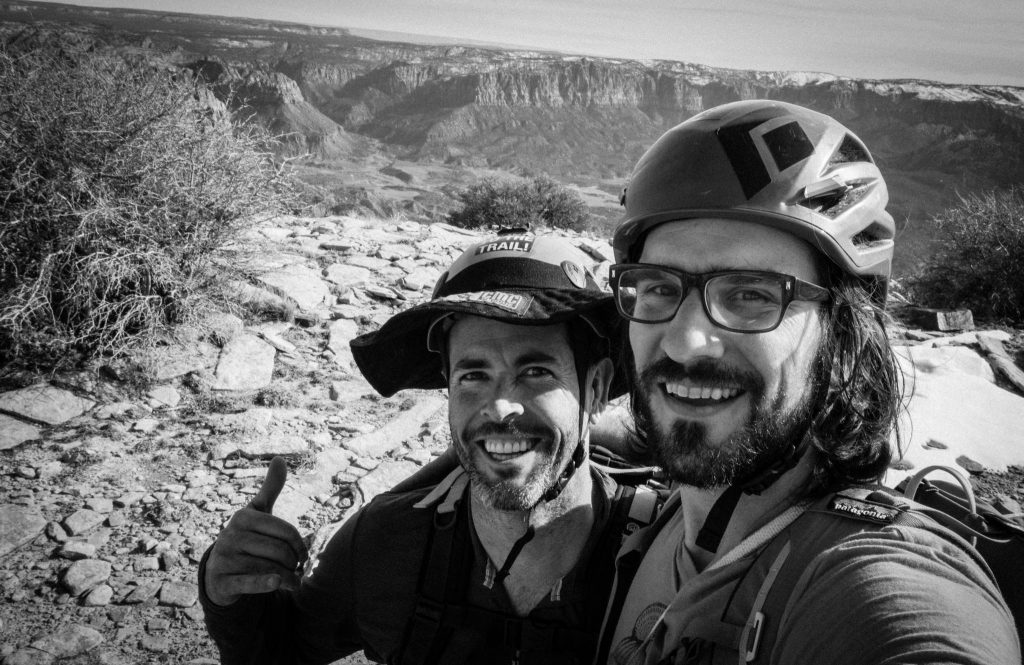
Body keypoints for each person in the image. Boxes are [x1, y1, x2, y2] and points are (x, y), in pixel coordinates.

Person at [599, 100, 1020, 664]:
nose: (684, 342)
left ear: (843, 340)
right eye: (658, 287)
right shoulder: (665, 524)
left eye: (751, 294)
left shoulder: (865, 581)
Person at [199, 233, 658, 664]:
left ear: (596, 387)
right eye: (472, 376)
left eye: (536, 372)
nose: (500, 407)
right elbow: (282, 648)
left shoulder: (668, 555)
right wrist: (230, 593)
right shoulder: (388, 544)